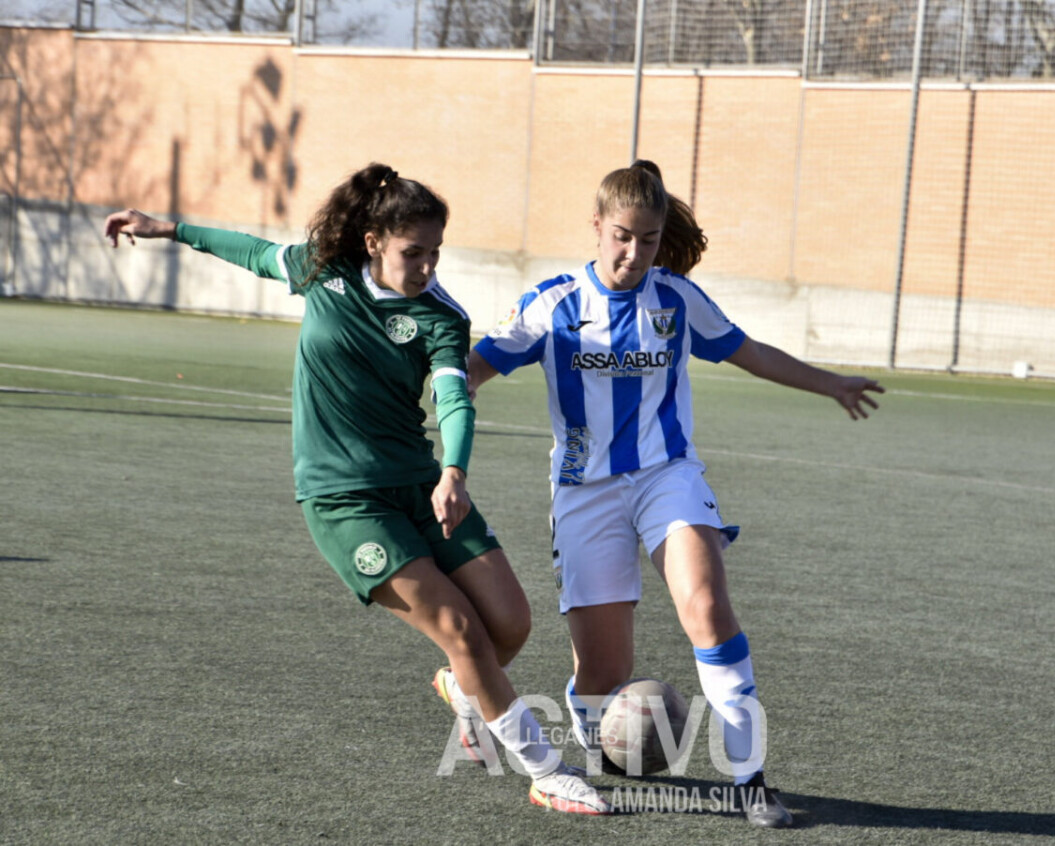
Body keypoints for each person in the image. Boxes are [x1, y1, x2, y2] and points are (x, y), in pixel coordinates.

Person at [102, 163, 610, 816]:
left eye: (435, 253)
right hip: (344, 499)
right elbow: (253, 252)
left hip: (423, 486)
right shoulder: (323, 271)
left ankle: (464, 688)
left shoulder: (441, 317)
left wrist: (454, 470)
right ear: (373, 241)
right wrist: (168, 229)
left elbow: (454, 397)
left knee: (510, 624)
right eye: (412, 252)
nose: (425, 266)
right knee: (460, 628)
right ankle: (544, 769)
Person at [467, 160, 883, 828]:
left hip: (668, 476)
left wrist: (829, 381)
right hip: (584, 493)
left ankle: (752, 783)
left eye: (651, 239)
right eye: (624, 236)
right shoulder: (552, 303)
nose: (635, 252)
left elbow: (749, 351)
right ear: (597, 227)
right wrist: (436, 384)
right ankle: (589, 715)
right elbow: (476, 365)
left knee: (709, 610)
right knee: (607, 670)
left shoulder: (676, 299)